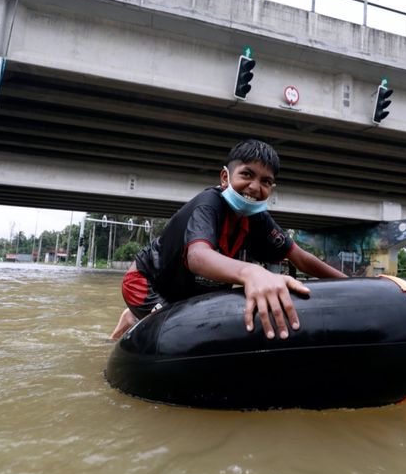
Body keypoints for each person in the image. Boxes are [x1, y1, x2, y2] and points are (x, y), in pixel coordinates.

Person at [110, 139, 346, 341]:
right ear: (225, 177)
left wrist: (354, 283)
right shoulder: (208, 205)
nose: (255, 187)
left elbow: (300, 258)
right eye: (247, 174)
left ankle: (137, 316)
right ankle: (135, 317)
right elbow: (197, 256)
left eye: (265, 181)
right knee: (172, 333)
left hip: (187, 290)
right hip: (146, 283)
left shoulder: (258, 219)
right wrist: (252, 272)